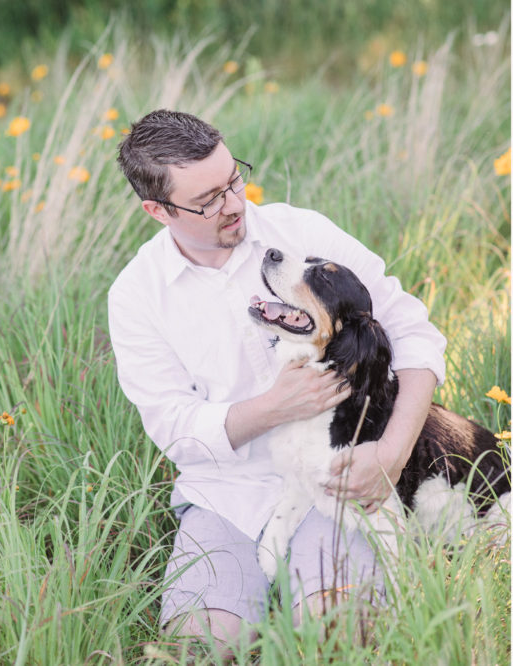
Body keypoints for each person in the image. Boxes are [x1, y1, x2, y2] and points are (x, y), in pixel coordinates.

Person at [107, 109, 446, 656]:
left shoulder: (302, 233)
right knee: (199, 648)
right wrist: (272, 407)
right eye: (209, 200)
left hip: (336, 484)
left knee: (338, 637)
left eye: (233, 180)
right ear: (157, 210)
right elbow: (174, 430)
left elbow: (410, 331)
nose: (235, 205)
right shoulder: (136, 296)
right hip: (226, 495)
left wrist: (391, 451)